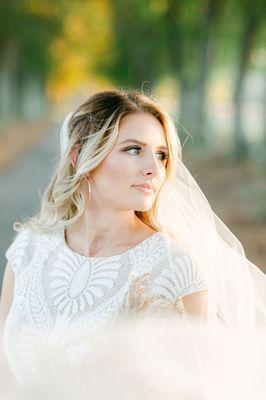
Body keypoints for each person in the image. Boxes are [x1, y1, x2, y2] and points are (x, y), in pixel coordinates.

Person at [1, 89, 266, 396]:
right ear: (79, 158)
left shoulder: (174, 268)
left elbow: (197, 389)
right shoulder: (29, 250)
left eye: (161, 154)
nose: (153, 168)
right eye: (133, 150)